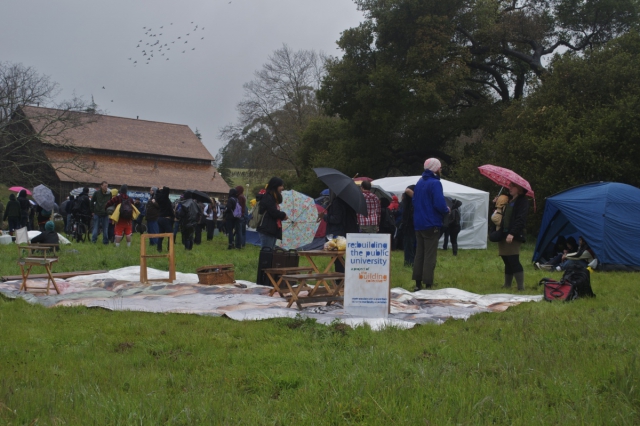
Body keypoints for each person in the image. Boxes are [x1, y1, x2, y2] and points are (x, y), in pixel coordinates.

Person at [412, 158, 449, 291]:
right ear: (435, 169)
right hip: (431, 222)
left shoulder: (420, 182)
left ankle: (417, 282)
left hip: (419, 223)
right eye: (440, 167)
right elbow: (439, 204)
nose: (440, 169)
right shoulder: (435, 183)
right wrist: (446, 210)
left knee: (419, 253)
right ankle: (428, 282)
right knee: (429, 254)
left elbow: (414, 201)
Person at [499, 182, 530, 290]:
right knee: (506, 259)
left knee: (513, 259)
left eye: (513, 186)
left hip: (514, 234)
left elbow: (520, 220)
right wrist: (497, 204)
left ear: (520, 189)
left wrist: (512, 233)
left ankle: (521, 287)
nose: (509, 188)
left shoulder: (522, 202)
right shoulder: (509, 200)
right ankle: (507, 284)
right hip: (505, 233)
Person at [323, 190, 359, 273]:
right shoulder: (346, 201)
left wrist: (325, 217)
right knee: (338, 257)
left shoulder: (337, 202)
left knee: (337, 257)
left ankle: (340, 277)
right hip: (342, 231)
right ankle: (343, 276)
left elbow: (336, 219)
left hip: (336, 233)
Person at [257, 177, 288, 250]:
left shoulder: (273, 198)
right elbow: (273, 212)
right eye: (281, 186)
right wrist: (283, 215)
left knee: (271, 253)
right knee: (267, 252)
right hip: (267, 229)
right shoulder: (268, 197)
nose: (282, 188)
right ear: (275, 186)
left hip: (272, 229)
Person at [399, 185, 416, 266]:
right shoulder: (414, 187)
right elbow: (407, 190)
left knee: (409, 243)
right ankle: (410, 261)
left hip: (410, 222)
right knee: (409, 242)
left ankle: (410, 261)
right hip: (409, 221)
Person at [154, 186, 174, 252]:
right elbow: (167, 190)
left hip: (160, 218)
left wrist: (158, 190)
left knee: (161, 234)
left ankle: (159, 249)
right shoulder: (165, 199)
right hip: (166, 218)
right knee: (170, 234)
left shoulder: (159, 198)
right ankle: (170, 248)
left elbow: (157, 194)